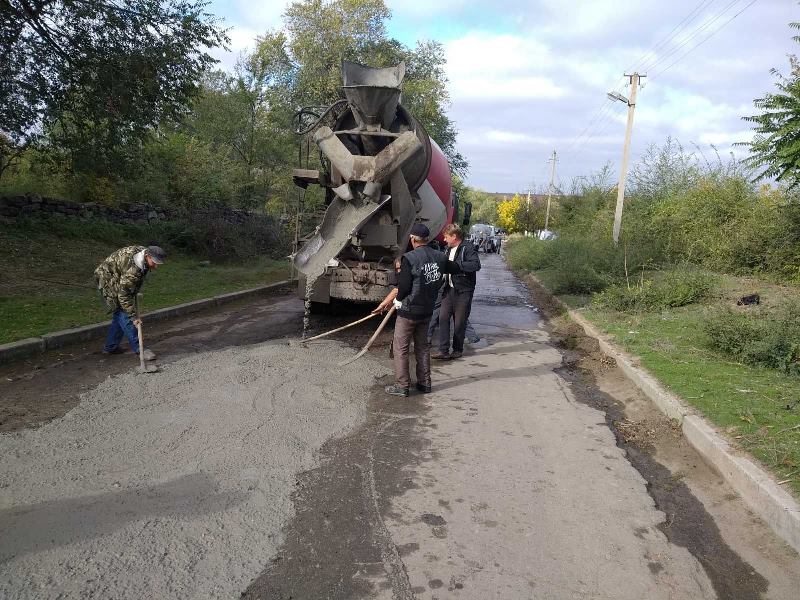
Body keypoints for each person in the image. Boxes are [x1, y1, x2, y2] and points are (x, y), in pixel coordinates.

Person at [373, 224, 445, 397]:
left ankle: (402, 385)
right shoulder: (439, 257)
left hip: (409, 312)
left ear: (413, 239)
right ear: (427, 239)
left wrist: (397, 301)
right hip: (427, 311)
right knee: (422, 348)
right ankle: (425, 383)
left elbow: (404, 287)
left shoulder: (409, 258)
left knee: (401, 349)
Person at [95, 245, 166, 359]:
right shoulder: (133, 270)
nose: (156, 266)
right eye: (155, 262)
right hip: (107, 280)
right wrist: (134, 317)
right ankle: (140, 349)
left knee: (119, 315)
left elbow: (135, 279)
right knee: (124, 314)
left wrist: (134, 290)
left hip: (118, 276)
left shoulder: (143, 255)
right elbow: (124, 296)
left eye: (159, 263)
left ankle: (110, 347)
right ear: (147, 256)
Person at [433, 223, 481, 360]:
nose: (444, 240)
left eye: (446, 237)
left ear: (454, 236)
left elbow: (476, 265)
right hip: (449, 289)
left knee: (459, 322)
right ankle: (443, 350)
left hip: (463, 291)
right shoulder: (448, 250)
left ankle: (457, 349)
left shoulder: (468, 247)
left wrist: (456, 266)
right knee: (442, 318)